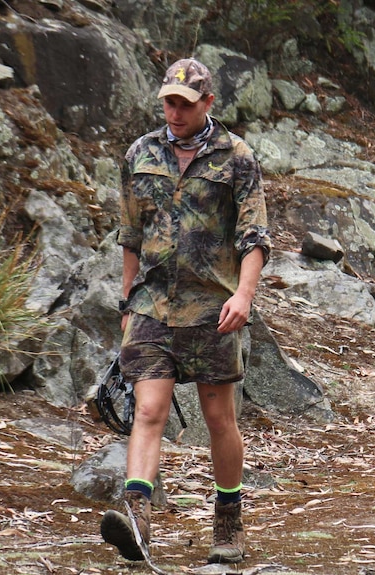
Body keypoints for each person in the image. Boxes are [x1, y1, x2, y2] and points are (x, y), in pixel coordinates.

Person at [100, 58, 271, 565]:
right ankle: (136, 518)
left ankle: (229, 518)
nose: (174, 112)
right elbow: (131, 234)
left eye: (185, 104)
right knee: (149, 411)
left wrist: (243, 295)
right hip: (152, 305)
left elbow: (254, 237)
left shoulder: (236, 157)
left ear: (207, 104)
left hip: (212, 309)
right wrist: (127, 300)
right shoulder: (140, 154)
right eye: (168, 102)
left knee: (218, 418)